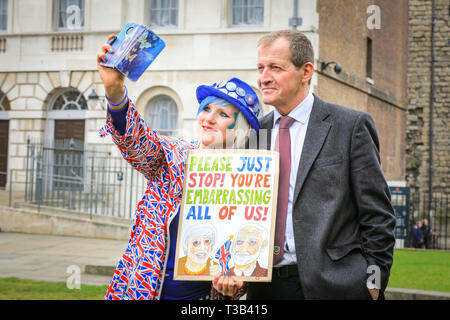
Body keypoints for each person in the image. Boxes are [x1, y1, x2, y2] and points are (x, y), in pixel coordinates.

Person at [214, 30, 396, 300]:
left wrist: (373, 285)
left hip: (338, 286)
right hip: (267, 289)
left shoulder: (350, 126)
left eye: (275, 67)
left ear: (306, 71)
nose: (264, 77)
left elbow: (378, 216)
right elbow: (243, 214)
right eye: (261, 68)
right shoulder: (254, 135)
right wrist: (237, 276)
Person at [97, 35, 260, 300]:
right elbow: (137, 143)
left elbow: (252, 247)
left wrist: (237, 286)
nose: (208, 118)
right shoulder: (175, 155)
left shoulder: (251, 178)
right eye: (206, 109)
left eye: (223, 114)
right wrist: (115, 92)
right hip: (142, 291)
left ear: (243, 128)